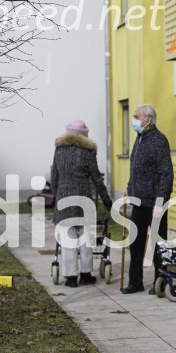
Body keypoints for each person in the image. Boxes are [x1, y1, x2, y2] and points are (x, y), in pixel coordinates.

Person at [51, 120, 113, 288]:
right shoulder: (88, 151)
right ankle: (85, 274)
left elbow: (54, 176)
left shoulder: (59, 150)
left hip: (63, 199)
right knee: (86, 239)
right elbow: (96, 179)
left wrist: (55, 197)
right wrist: (107, 201)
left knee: (67, 239)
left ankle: (71, 277)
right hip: (83, 200)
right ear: (85, 134)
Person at [121, 104, 174, 295]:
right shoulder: (140, 138)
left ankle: (162, 280)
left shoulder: (159, 140)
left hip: (154, 202)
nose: (133, 119)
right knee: (136, 243)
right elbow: (135, 168)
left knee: (158, 243)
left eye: (136, 116)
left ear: (148, 120)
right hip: (138, 200)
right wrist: (129, 188)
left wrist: (160, 201)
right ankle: (136, 282)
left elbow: (165, 173)